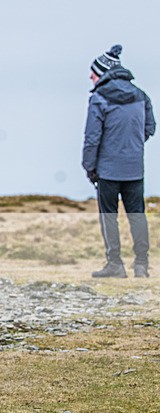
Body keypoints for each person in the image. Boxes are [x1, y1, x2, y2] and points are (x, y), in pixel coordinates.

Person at [83, 45, 155, 278]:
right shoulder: (141, 95)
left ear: (103, 73)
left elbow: (92, 138)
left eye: (93, 73)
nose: (91, 77)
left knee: (109, 216)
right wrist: (133, 145)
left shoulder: (99, 98)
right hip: (135, 167)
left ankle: (115, 264)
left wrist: (89, 167)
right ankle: (141, 265)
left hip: (107, 170)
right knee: (137, 215)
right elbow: (150, 128)